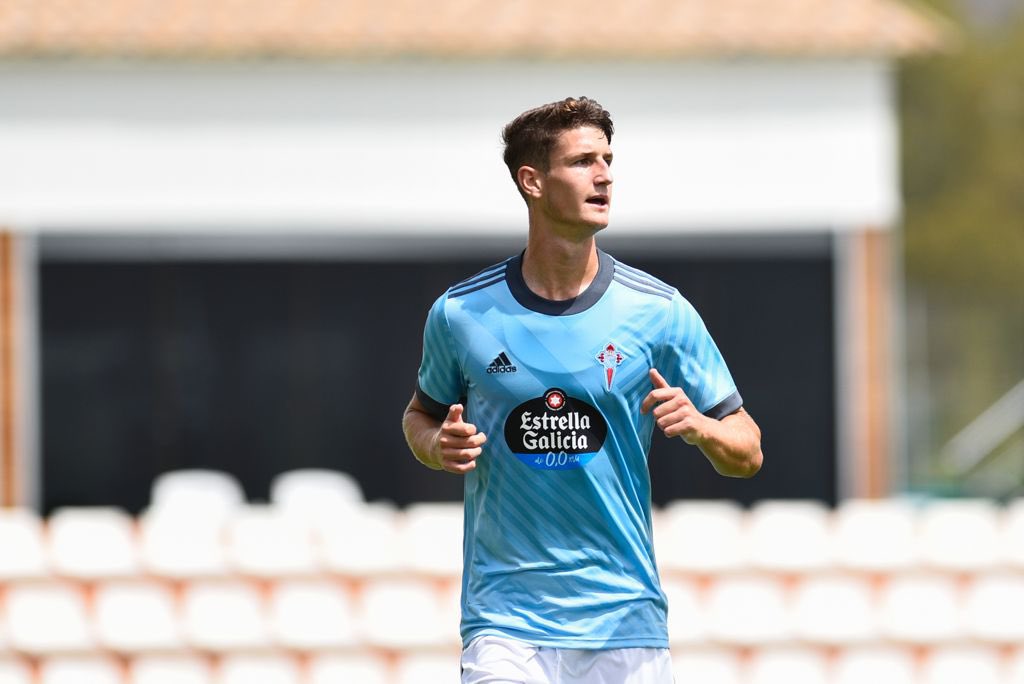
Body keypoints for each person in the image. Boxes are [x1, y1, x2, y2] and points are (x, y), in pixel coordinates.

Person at [402, 96, 762, 684]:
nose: (605, 175)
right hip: (505, 623)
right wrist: (435, 445)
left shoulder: (660, 311)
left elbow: (747, 450)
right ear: (532, 181)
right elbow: (419, 416)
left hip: (625, 621)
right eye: (583, 161)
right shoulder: (461, 313)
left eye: (608, 159)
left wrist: (701, 428)